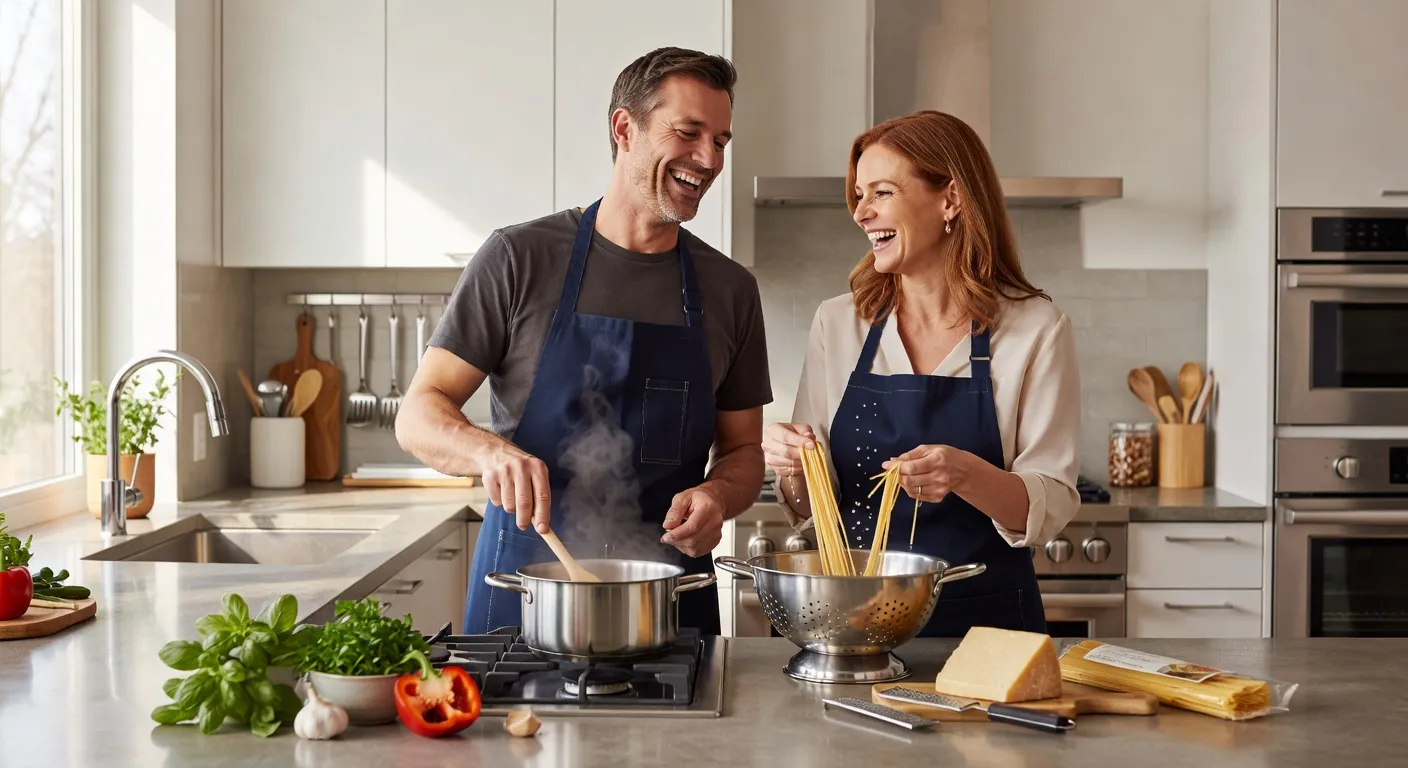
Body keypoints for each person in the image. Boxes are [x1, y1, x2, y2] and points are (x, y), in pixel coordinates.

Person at [395, 47, 771, 637]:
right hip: (523, 600)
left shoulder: (730, 290)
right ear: (625, 128)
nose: (708, 159)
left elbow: (745, 452)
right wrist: (487, 452)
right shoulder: (518, 259)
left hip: (666, 608)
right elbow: (418, 414)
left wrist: (720, 496)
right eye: (689, 132)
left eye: (720, 141)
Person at [762, 110, 1080, 637]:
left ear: (950, 199)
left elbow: (1048, 507)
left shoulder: (1036, 329)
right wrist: (793, 466)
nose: (862, 212)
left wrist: (963, 473)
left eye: (881, 192)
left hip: (987, 630)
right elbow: (808, 507)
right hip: (854, 628)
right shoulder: (839, 323)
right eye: (859, 195)